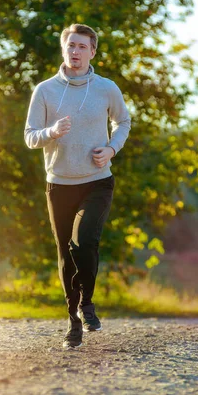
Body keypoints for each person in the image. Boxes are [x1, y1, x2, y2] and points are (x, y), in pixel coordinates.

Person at [24, 23, 131, 349]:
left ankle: (87, 303)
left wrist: (111, 148)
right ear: (63, 49)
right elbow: (30, 137)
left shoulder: (106, 88)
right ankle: (73, 320)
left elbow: (123, 121)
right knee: (64, 255)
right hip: (59, 184)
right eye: (71, 45)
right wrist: (51, 132)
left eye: (82, 46)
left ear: (92, 51)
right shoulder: (45, 90)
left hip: (97, 181)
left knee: (84, 242)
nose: (75, 51)